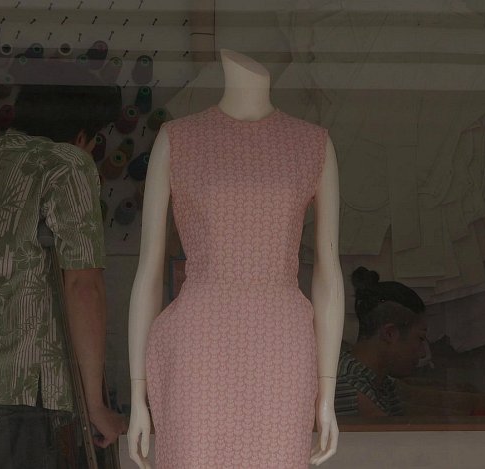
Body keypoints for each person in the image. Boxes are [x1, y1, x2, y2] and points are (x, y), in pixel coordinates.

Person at [127, 49, 344, 468]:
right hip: (197, 348)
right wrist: (138, 394)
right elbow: (148, 271)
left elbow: (328, 272)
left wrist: (327, 392)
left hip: (282, 347)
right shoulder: (179, 139)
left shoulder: (312, 144)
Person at [0, 62, 126, 468]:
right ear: (82, 135)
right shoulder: (67, 163)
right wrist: (95, 405)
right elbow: (83, 285)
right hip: (13, 394)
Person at [335, 266, 428, 417]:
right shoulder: (348, 389)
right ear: (390, 334)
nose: (423, 353)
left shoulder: (380, 381)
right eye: (420, 339)